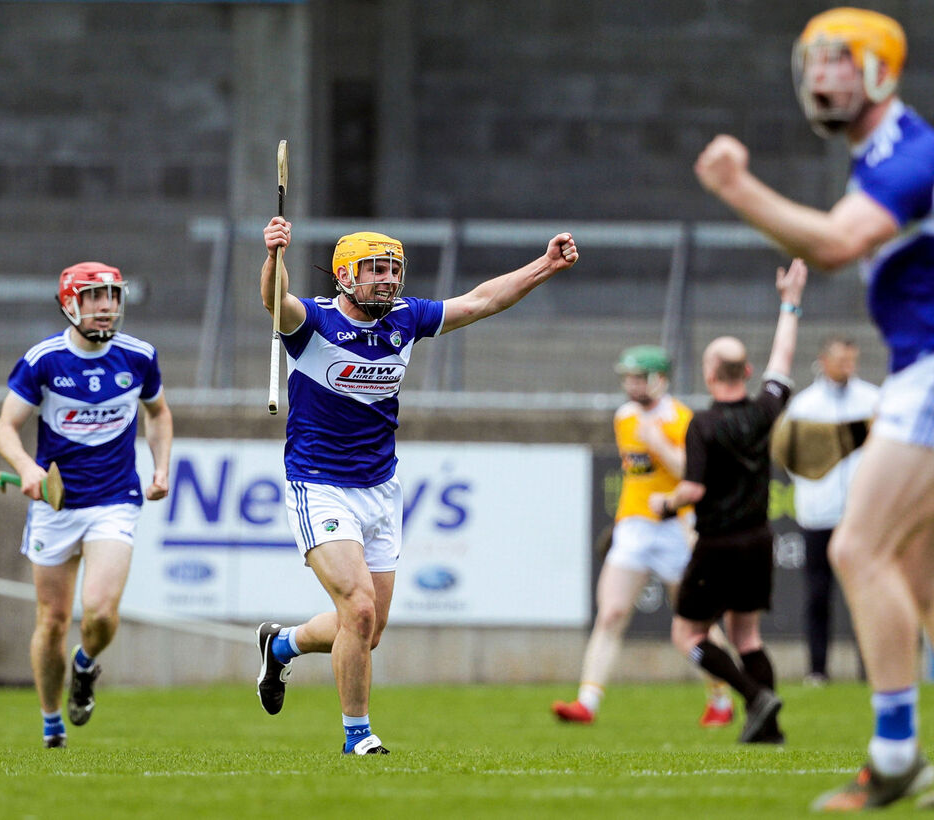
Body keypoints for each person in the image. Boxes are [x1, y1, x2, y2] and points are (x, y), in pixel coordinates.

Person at [694, 6, 934, 809]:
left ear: (881, 71)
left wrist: (734, 186)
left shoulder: (904, 154)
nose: (823, 76)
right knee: (919, 571)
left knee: (856, 549)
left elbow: (836, 243)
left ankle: (894, 756)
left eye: (841, 61)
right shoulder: (884, 154)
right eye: (814, 61)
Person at [254, 217, 578, 755]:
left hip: (381, 488)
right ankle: (358, 736)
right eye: (374, 270)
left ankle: (281, 644)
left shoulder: (407, 319)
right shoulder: (311, 321)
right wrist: (273, 257)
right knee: (357, 611)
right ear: (343, 276)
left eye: (393, 270)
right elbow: (274, 301)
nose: (387, 280)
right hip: (319, 484)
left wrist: (546, 264)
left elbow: (481, 302)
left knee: (366, 629)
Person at [0, 262, 173, 749]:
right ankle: (52, 721)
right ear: (70, 304)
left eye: (112, 297)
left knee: (98, 614)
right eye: (94, 297)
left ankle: (86, 664)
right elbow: (5, 429)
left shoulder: (139, 357)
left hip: (114, 500)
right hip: (55, 506)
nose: (106, 307)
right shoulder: (43, 360)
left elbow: (158, 413)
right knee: (51, 620)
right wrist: (28, 468)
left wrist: (161, 466)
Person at [651, 257, 808, 745]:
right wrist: (791, 302)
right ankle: (771, 732)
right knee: (748, 637)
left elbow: (692, 490)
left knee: (689, 636)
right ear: (748, 371)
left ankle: (755, 699)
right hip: (759, 539)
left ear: (710, 371)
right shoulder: (765, 410)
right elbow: (783, 359)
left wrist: (664, 505)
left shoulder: (704, 423)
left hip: (718, 543)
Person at [551, 345, 734, 728]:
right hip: (634, 525)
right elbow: (639, 476)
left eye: (639, 377)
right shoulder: (624, 417)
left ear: (660, 379)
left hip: (674, 526)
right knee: (612, 613)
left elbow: (691, 472)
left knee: (695, 624)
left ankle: (721, 698)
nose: (632, 385)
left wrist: (659, 444)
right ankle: (587, 702)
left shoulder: (682, 418)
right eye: (629, 377)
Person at [780, 336, 878, 685]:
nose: (848, 367)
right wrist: (815, 484)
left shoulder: (871, 400)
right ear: (823, 361)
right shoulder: (805, 405)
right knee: (818, 594)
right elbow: (793, 457)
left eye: (852, 359)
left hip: (860, 514)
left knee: (865, 594)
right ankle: (818, 669)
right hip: (819, 513)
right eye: (841, 360)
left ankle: (871, 668)